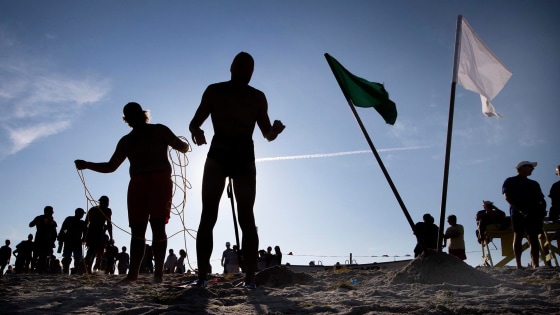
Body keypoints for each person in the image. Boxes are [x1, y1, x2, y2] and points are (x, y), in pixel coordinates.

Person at [189, 52, 285, 288]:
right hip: (218, 153)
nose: (246, 72)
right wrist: (197, 132)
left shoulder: (257, 97)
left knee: (247, 217)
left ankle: (250, 279)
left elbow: (266, 134)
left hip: (244, 155)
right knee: (208, 214)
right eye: (242, 67)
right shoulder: (215, 90)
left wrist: (275, 130)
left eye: (250, 68)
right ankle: (202, 277)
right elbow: (195, 121)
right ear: (231, 67)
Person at [75, 102, 189, 283]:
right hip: (137, 184)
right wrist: (87, 165)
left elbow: (181, 146)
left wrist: (183, 145)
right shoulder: (126, 141)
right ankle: (133, 273)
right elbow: (111, 166)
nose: (132, 119)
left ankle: (158, 272)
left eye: (134, 114)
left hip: (160, 181)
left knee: (158, 226)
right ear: (127, 119)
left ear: (142, 114)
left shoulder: (160, 130)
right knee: (137, 230)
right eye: (129, 116)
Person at [503, 161, 547, 268]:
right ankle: (518, 264)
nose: (532, 169)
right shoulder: (510, 181)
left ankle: (535, 264)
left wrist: (541, 210)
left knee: (533, 238)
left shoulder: (534, 183)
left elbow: (541, 199)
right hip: (517, 213)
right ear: (522, 167)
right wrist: (521, 210)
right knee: (518, 236)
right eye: (530, 167)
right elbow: (507, 196)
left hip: (533, 213)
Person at [83, 196, 113, 274]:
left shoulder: (93, 209)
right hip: (96, 231)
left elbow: (86, 223)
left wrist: (84, 235)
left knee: (92, 250)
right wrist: (111, 237)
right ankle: (85, 267)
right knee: (92, 250)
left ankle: (87, 267)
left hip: (92, 231)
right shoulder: (106, 210)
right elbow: (109, 224)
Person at [58, 208, 87, 274]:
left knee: (71, 257)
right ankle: (70, 271)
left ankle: (69, 271)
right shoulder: (79, 222)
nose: (82, 215)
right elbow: (64, 229)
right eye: (82, 213)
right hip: (73, 241)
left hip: (70, 240)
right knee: (74, 257)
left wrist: (62, 235)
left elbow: (64, 229)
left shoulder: (70, 219)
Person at [29, 206, 58, 273]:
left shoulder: (51, 221)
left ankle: (38, 270)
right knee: (40, 256)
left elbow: (54, 233)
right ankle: (37, 270)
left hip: (43, 241)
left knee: (41, 256)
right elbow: (31, 225)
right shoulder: (46, 220)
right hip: (43, 241)